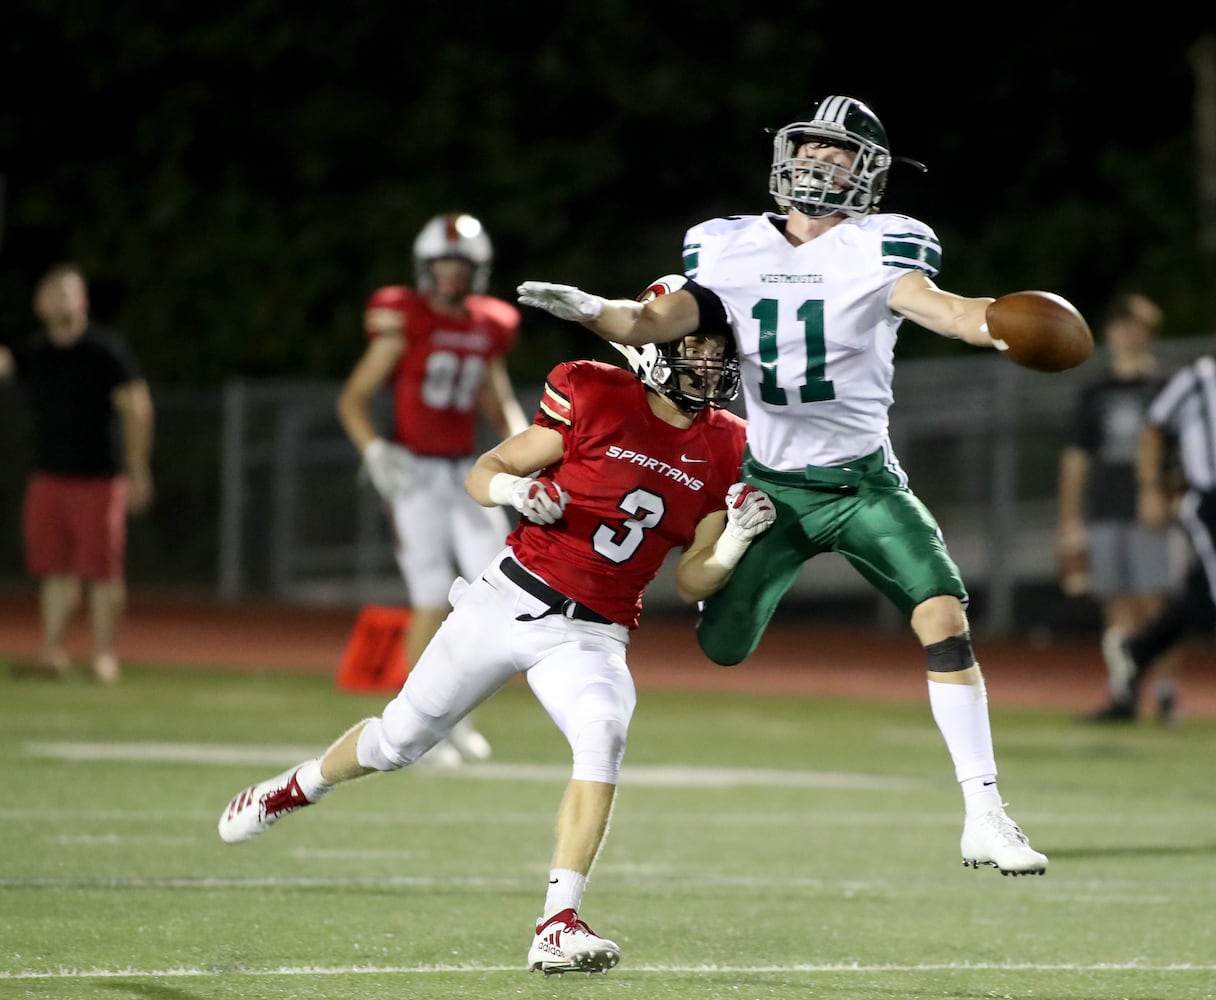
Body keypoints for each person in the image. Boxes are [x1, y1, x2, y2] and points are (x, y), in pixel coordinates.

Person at [517, 95, 1051, 876]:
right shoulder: (725, 245)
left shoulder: (879, 246)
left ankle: (985, 813)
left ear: (867, 173)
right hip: (771, 486)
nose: (816, 161)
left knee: (943, 617)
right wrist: (598, 311)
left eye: (837, 153)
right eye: (809, 147)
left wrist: (993, 322)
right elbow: (651, 323)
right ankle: (980, 808)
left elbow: (938, 308)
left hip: (864, 482)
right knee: (722, 646)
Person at [219, 275, 773, 975]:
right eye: (694, 347)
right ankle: (297, 786)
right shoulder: (595, 392)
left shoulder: (727, 444)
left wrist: (731, 545)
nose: (710, 364)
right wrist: (517, 491)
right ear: (655, 347)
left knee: (602, 734)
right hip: (506, 598)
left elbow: (692, 576)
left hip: (593, 631)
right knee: (396, 742)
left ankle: (557, 922)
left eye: (717, 351)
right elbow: (487, 469)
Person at [337, 212, 529, 765]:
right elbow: (352, 397)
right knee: (429, 597)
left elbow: (496, 401)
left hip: (465, 473)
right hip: (413, 473)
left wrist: (525, 452)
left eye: (460, 266)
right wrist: (373, 448)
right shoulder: (406, 318)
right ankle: (414, 726)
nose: (450, 276)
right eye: (443, 265)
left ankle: (455, 714)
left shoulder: (489, 323)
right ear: (425, 268)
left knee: (496, 592)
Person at [1092, 296, 1216, 734]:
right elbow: (1153, 427)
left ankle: (1137, 651)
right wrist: (1151, 488)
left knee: (1199, 599)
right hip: (1211, 505)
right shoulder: (1199, 379)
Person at [0, 263, 153, 684]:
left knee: (102, 572)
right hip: (48, 476)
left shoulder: (104, 352)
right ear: (39, 304)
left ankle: (105, 656)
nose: (60, 300)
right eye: (53, 293)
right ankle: (52, 652)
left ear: (83, 301)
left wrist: (137, 467)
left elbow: (137, 407)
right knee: (54, 571)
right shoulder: (35, 353)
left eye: (68, 292)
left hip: (99, 478)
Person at [1056, 293, 1183, 724]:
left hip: (1150, 510)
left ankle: (1165, 696)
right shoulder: (1096, 393)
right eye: (1122, 326)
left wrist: (1171, 500)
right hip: (1107, 507)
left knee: (1154, 605)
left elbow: (1182, 456)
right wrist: (1070, 518)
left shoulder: (1164, 389)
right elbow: (1077, 458)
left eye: (1137, 327)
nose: (1128, 335)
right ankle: (1124, 692)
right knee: (1116, 604)